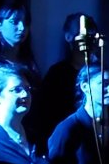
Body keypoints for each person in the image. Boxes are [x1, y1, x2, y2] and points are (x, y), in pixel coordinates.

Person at [38, 13, 99, 148]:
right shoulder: (57, 74)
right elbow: (45, 115)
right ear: (69, 37)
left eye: (91, 33)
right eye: (83, 33)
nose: (88, 37)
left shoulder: (100, 72)